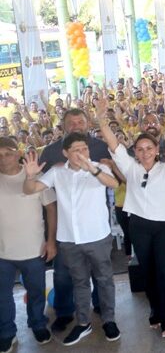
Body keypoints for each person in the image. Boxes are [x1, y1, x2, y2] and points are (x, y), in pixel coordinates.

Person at [98, 105, 165, 339]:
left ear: (156, 151)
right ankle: (156, 312)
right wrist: (101, 120)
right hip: (139, 225)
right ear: (135, 152)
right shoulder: (130, 168)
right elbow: (114, 144)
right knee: (149, 272)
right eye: (140, 149)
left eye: (149, 148)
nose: (145, 152)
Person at [23, 133, 121, 346]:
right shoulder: (58, 172)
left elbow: (114, 184)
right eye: (76, 150)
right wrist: (30, 176)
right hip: (69, 239)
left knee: (104, 280)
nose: (82, 153)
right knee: (80, 282)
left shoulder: (98, 168)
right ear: (66, 153)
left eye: (84, 148)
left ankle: (109, 320)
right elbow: (30, 190)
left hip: (97, 236)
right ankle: (83, 322)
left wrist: (92, 169)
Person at [38, 108, 111, 333]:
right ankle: (64, 311)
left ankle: (102, 308)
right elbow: (42, 189)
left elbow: (112, 178)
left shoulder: (99, 146)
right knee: (64, 274)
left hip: (94, 221)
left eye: (81, 121)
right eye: (72, 122)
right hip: (64, 225)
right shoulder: (50, 152)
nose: (77, 125)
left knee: (101, 273)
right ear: (63, 125)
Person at [0, 137, 56, 352]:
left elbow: (51, 208)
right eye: (0, 153)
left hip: (34, 249)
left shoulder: (34, 175)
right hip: (2, 252)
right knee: (2, 296)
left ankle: (38, 324)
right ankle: (7, 332)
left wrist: (51, 241)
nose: (4, 158)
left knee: (36, 292)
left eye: (8, 152)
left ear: (18, 152)